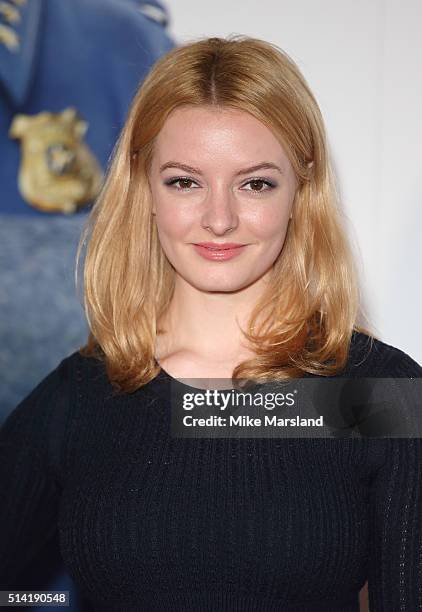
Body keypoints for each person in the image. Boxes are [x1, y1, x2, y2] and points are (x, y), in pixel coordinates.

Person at [1, 35, 421, 611]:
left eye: (255, 183)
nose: (219, 219)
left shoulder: (379, 395)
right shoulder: (82, 396)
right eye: (185, 181)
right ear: (144, 187)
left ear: (302, 189)